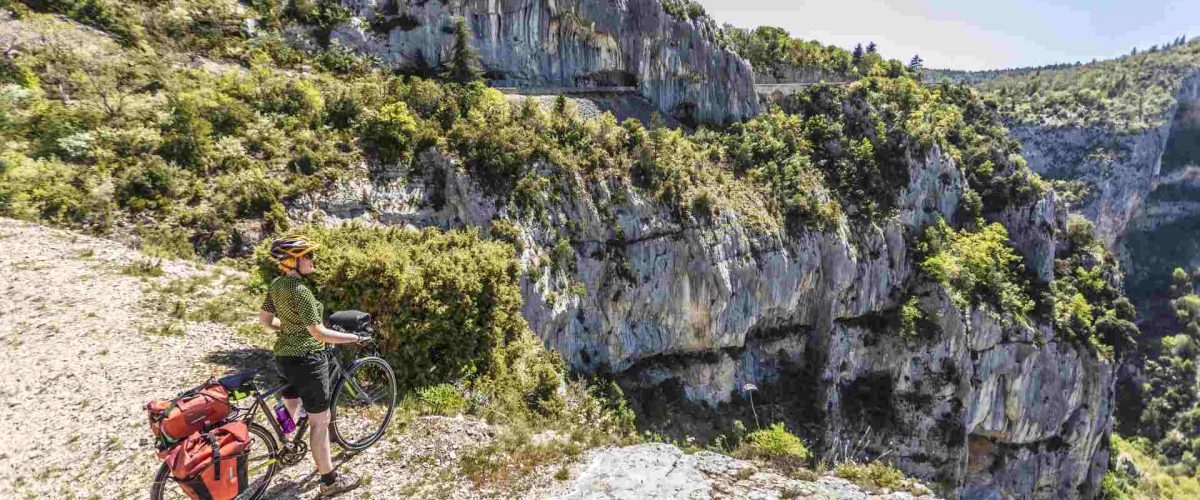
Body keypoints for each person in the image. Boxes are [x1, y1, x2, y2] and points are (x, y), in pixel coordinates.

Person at [259, 236, 365, 497]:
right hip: (308, 361)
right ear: (293, 261)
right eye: (307, 256)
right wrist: (353, 338)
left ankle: (286, 445)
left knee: (292, 405)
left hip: (284, 358)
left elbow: (265, 321)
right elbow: (318, 334)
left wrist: (289, 330)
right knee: (321, 421)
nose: (312, 260)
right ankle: (330, 482)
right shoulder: (300, 291)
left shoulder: (276, 285)